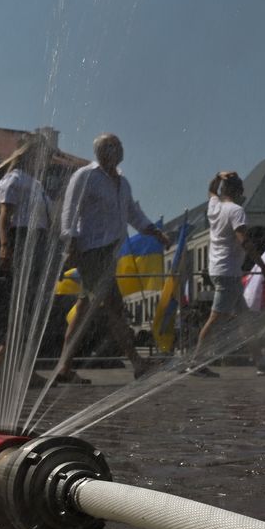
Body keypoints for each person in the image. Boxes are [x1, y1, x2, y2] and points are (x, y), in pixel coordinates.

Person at [54, 133, 169, 384]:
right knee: (114, 306)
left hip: (110, 253)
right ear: (100, 151)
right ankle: (137, 364)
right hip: (92, 251)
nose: (118, 149)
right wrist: (71, 245)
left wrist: (155, 232)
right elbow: (70, 211)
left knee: (84, 309)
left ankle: (64, 367)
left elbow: (132, 213)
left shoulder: (122, 182)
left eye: (119, 145)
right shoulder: (85, 176)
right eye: (112, 146)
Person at [187, 171, 265, 377]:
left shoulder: (215, 207)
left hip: (219, 269)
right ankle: (196, 362)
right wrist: (263, 266)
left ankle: (261, 362)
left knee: (244, 319)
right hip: (228, 271)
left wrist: (217, 176)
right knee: (215, 319)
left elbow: (211, 190)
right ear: (237, 192)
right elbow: (243, 240)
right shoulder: (236, 210)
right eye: (241, 192)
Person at [0, 135, 54, 387]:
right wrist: (5, 246)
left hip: (37, 242)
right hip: (23, 240)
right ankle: (4, 357)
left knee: (29, 309)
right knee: (22, 307)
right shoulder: (14, 180)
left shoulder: (35, 183)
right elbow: (5, 215)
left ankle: (13, 361)